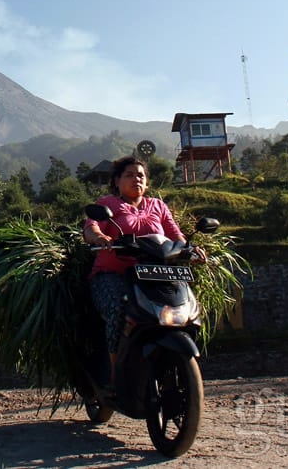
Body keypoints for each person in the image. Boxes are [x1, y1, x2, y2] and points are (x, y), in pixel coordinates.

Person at [82, 155, 205, 388]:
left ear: (147, 183)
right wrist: (99, 236)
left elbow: (175, 235)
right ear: (117, 181)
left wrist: (190, 249)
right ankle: (114, 375)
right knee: (119, 307)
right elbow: (91, 227)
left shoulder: (158, 206)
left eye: (141, 175)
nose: (136, 179)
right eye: (129, 174)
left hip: (155, 275)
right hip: (113, 274)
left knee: (187, 308)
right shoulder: (107, 203)